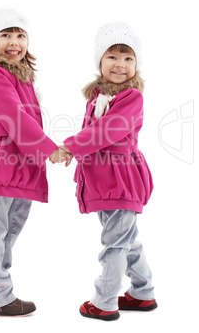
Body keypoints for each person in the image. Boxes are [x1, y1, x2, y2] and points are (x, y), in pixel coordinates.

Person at [0, 7, 72, 317]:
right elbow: (14, 118)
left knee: (7, 229)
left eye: (20, 35)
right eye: (6, 35)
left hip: (18, 165)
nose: (14, 42)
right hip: (1, 162)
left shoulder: (21, 76)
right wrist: (49, 149)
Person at [61, 22, 158, 321]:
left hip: (121, 180)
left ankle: (104, 301)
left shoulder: (131, 98)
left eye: (128, 58)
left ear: (136, 65)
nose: (120, 64)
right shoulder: (98, 98)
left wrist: (70, 147)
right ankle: (142, 292)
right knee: (127, 239)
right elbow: (91, 133)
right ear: (100, 62)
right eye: (113, 56)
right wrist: (77, 157)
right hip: (104, 181)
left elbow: (106, 131)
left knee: (114, 243)